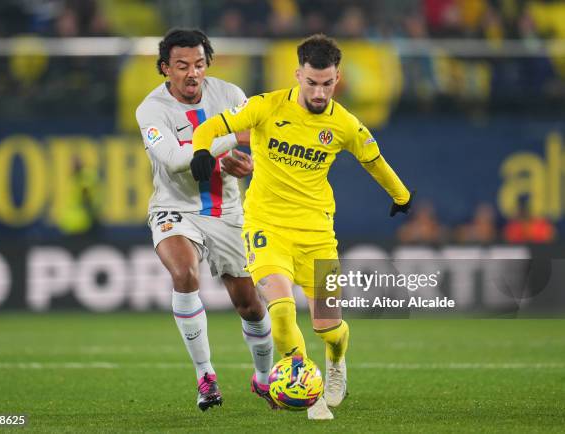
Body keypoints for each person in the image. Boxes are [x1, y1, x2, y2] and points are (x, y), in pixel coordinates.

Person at [191, 34, 413, 420]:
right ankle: (309, 391)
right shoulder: (264, 107)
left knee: (329, 327)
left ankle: (336, 360)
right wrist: (199, 150)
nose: (319, 91)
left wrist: (401, 196)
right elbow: (211, 128)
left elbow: (373, 159)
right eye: (311, 82)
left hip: (318, 236)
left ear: (337, 78)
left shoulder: (344, 123)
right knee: (279, 311)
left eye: (327, 83)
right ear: (298, 74)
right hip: (266, 227)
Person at [135, 28, 274, 412]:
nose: (191, 73)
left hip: (227, 210)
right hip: (174, 208)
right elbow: (177, 160)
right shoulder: (150, 109)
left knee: (249, 304)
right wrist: (231, 141)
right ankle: (206, 375)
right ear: (165, 68)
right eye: (181, 66)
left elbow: (257, 136)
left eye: (198, 64)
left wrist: (247, 160)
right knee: (185, 274)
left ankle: (264, 379)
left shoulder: (229, 95)